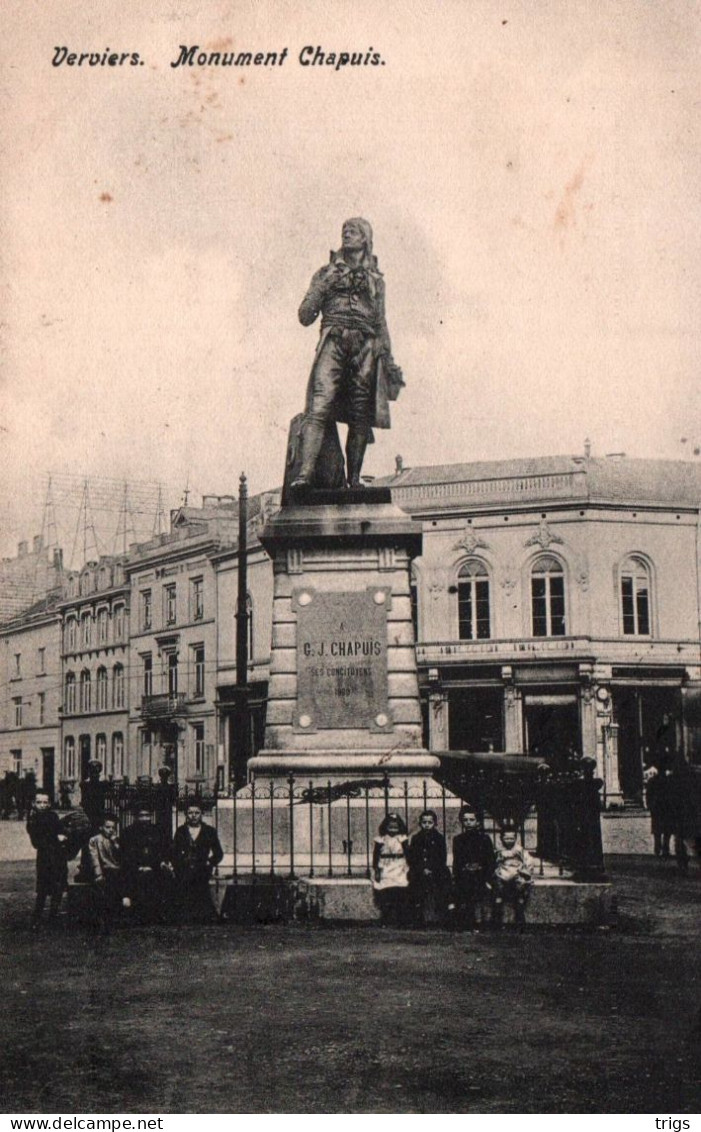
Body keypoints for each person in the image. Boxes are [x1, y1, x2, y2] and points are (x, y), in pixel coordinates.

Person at [291, 217, 404, 490]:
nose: (347, 234)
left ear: (365, 239)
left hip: (366, 347)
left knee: (361, 415)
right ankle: (304, 476)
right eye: (345, 231)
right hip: (333, 341)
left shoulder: (376, 281)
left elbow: (381, 322)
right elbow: (305, 315)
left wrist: (388, 360)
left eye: (353, 231)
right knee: (319, 406)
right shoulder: (325, 273)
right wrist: (325, 284)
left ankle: (354, 481)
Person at [168, 803, 223, 923]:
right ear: (186, 815)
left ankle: (202, 917)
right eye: (190, 813)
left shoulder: (209, 831)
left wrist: (209, 862)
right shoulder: (181, 831)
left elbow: (219, 853)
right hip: (184, 868)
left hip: (202, 868)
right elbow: (174, 852)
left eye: (197, 813)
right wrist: (178, 863)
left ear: (202, 815)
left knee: (200, 888)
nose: (193, 816)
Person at [120, 807, 171, 923]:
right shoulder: (127, 832)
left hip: (155, 867)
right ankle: (137, 915)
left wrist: (157, 864)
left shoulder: (158, 831)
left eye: (147, 815)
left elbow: (163, 850)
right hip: (134, 868)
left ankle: (158, 914)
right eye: (141, 816)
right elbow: (125, 854)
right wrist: (138, 867)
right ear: (135, 817)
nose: (144, 819)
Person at [26, 792, 68, 927]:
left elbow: (61, 830)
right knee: (43, 888)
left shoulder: (53, 816)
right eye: (39, 802)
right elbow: (37, 842)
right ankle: (36, 918)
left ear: (49, 803)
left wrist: (62, 834)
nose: (42, 805)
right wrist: (56, 838)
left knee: (58, 885)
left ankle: (53, 915)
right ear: (34, 803)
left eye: (45, 802)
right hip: (45, 858)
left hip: (58, 856)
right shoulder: (33, 820)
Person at [451, 807, 495, 932]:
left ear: (478, 822)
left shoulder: (484, 839)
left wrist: (487, 878)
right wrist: (457, 875)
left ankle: (479, 923)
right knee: (463, 889)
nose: (468, 823)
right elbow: (457, 861)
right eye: (465, 820)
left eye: (472, 820)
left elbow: (490, 861)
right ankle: (466, 922)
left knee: (477, 888)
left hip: (481, 874)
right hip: (465, 874)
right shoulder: (458, 840)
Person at [407, 810, 451, 926]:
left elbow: (442, 857)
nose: (427, 825)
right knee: (415, 887)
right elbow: (413, 858)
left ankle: (444, 917)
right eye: (424, 822)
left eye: (430, 822)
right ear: (420, 823)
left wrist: (432, 869)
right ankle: (417, 917)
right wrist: (422, 869)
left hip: (437, 869)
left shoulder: (439, 838)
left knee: (444, 887)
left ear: (435, 824)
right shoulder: (416, 838)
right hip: (419, 870)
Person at [372, 811, 410, 926]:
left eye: (395, 828)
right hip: (385, 865)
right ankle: (386, 917)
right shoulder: (381, 839)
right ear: (385, 827)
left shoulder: (402, 839)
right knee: (385, 891)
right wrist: (376, 869)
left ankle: (401, 918)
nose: (393, 830)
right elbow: (376, 855)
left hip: (399, 864)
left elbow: (407, 853)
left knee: (400, 890)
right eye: (390, 827)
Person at [492, 827, 534, 929]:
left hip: (516, 872)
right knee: (498, 888)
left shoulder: (520, 850)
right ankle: (497, 916)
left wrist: (525, 871)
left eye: (512, 838)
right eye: (506, 838)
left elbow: (528, 861)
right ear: (502, 838)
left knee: (521, 887)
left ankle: (520, 916)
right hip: (503, 872)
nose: (509, 841)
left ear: (515, 838)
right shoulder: (499, 851)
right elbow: (495, 862)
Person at [87, 815, 122, 933]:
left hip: (116, 870)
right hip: (103, 871)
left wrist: (116, 843)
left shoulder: (117, 840)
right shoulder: (95, 840)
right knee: (101, 894)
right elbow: (94, 858)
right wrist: (98, 874)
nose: (110, 830)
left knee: (114, 894)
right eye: (107, 827)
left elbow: (122, 857)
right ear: (101, 827)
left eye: (113, 827)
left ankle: (112, 920)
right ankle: (101, 921)